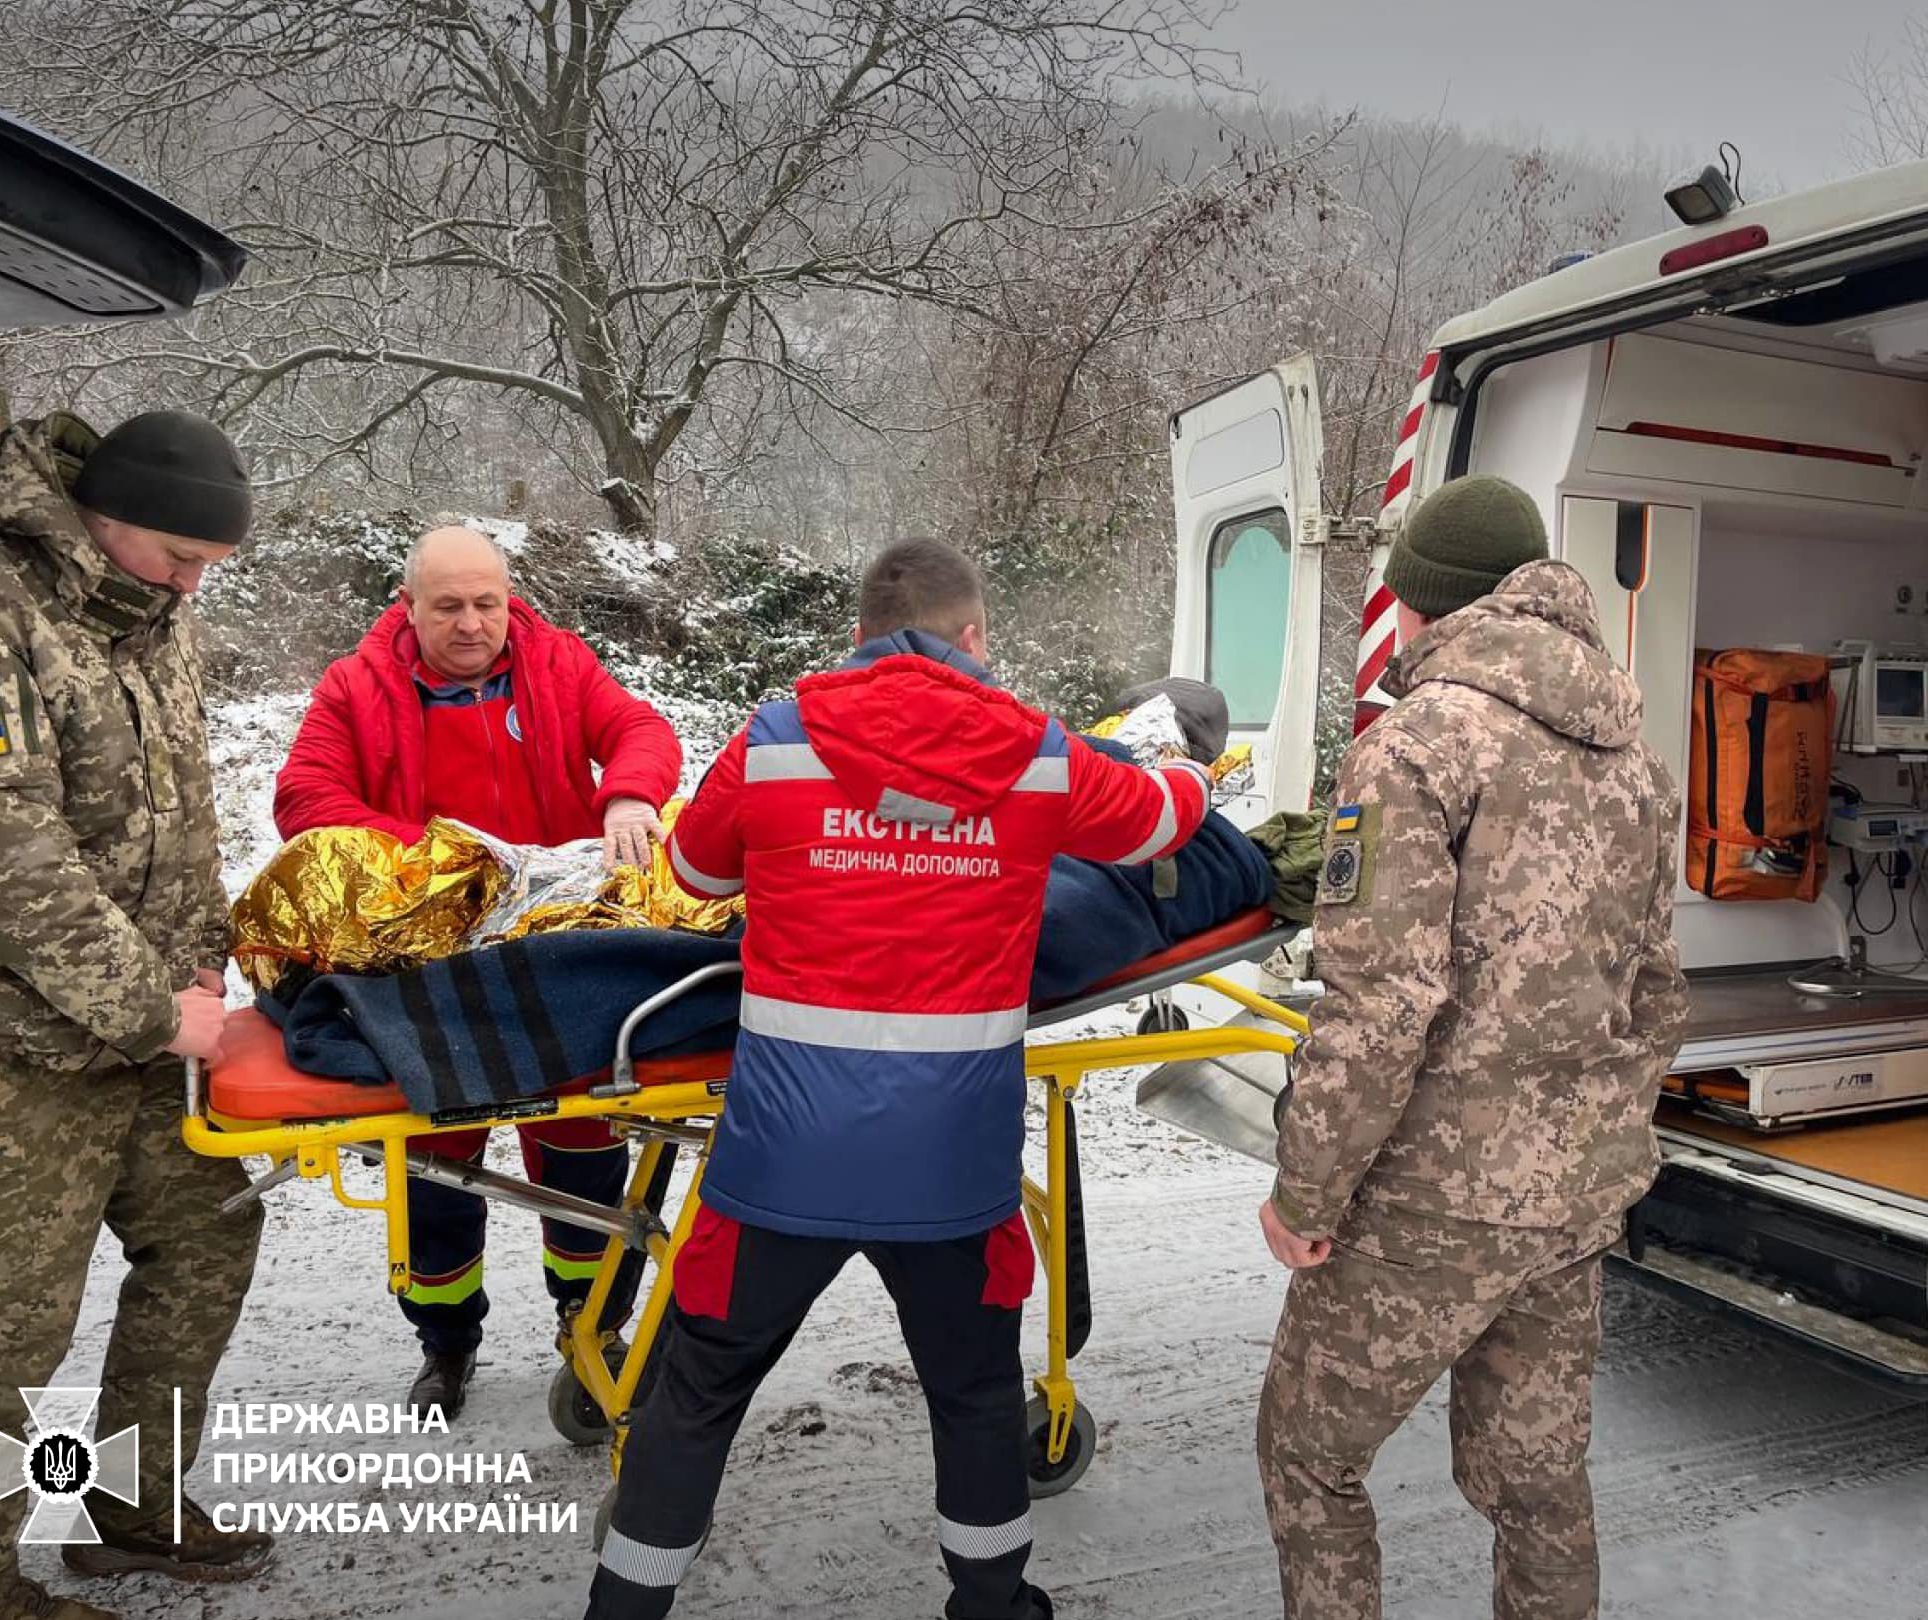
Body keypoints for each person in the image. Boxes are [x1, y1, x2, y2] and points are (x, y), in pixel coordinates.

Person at [584, 537, 1214, 1620]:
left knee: (696, 1396)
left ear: (860, 640)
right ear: (974, 638)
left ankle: (623, 1610)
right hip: (951, 1174)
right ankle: (991, 1605)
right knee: (973, 1397)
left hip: (777, 1166)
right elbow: (1160, 821)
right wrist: (1201, 774)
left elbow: (692, 870)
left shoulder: (775, 741)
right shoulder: (1039, 754)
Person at [1254, 475, 1688, 1620]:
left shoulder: (1417, 745)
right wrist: (1596, 1144)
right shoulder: (1635, 761)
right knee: (1537, 1484)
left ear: (1425, 604)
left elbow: (1381, 1003)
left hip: (1428, 1203)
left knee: (1309, 1457)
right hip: (1569, 1199)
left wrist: (1307, 1192)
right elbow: (1656, 991)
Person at [0, 410, 272, 1620]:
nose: (194, 582)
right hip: (8, 1048)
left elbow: (183, 804)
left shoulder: (154, 609)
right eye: (179, 555)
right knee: (5, 1325)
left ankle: (135, 1507)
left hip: (157, 1034)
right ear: (101, 516)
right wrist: (145, 1004)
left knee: (206, 1248)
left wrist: (205, 972)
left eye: (210, 565)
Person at [274, 525, 683, 1418]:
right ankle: (447, 1343)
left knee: (581, 1152)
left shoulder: (559, 663)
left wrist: (627, 791)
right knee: (433, 1168)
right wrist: (436, 862)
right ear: (408, 605)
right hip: (427, 963)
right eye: (448, 606)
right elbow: (306, 798)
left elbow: (640, 729)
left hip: (559, 952)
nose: (470, 624)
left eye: (486, 604)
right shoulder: (356, 686)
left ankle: (591, 1324)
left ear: (510, 600)